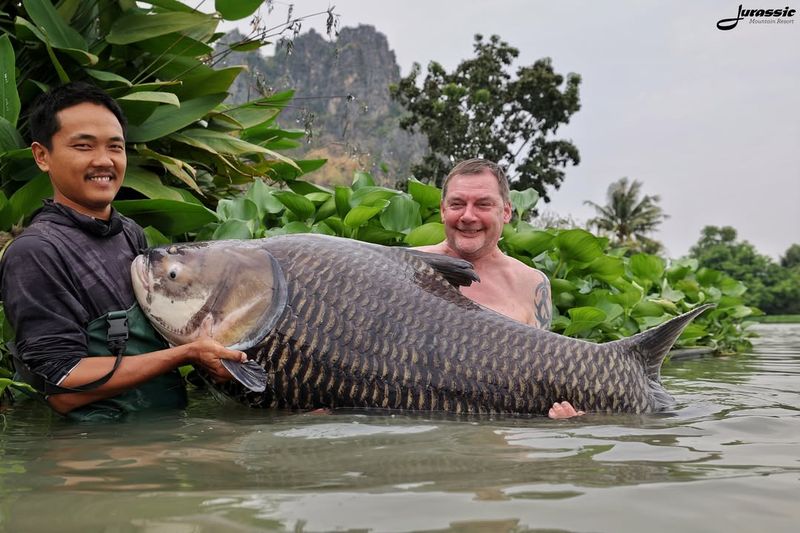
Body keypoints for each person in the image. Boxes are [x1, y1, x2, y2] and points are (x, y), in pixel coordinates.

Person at [0, 82, 246, 421]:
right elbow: (62, 386)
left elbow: (168, 338)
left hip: (165, 436)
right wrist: (185, 355)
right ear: (42, 156)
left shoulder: (130, 234)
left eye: (115, 147)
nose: (104, 161)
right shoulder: (36, 252)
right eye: (83, 146)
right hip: (99, 454)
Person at [415, 158, 584, 419]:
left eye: (483, 204)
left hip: (503, 444)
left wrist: (565, 420)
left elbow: (546, 380)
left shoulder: (533, 284)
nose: (468, 216)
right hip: (418, 439)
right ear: (442, 210)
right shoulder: (403, 266)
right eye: (457, 204)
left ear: (506, 211)